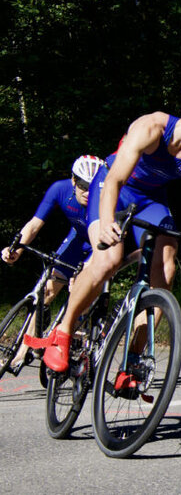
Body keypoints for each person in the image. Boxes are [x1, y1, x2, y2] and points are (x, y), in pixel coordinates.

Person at [25, 72, 181, 373]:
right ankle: (63, 332)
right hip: (113, 187)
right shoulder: (151, 126)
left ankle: (133, 360)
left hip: (151, 199)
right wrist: (108, 220)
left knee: (166, 265)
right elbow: (114, 178)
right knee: (108, 259)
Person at [4, 155, 105, 365]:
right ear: (73, 181)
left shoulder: (106, 199)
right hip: (77, 242)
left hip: (100, 246)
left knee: (81, 295)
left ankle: (72, 340)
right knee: (46, 290)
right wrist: (16, 249)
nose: (88, 193)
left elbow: (108, 244)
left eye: (93, 187)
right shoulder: (59, 190)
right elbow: (34, 225)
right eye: (83, 186)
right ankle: (24, 350)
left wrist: (87, 270)